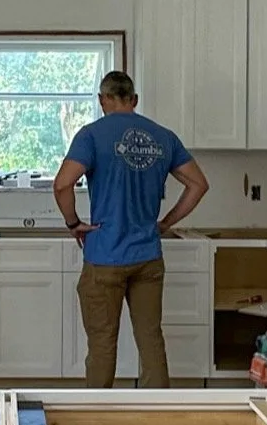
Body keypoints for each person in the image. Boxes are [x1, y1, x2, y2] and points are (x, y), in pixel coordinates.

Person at [52, 71, 210, 388]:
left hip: (104, 257)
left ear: (102, 100)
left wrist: (73, 223)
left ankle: (98, 412)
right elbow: (198, 185)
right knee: (151, 339)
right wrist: (165, 223)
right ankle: (157, 412)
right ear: (134, 100)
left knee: (102, 343)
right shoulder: (163, 137)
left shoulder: (91, 135)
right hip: (148, 256)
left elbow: (62, 184)